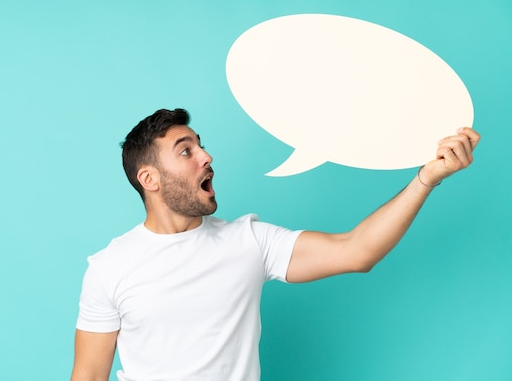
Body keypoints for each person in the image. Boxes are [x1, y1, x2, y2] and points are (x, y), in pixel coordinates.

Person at [70, 108, 480, 381]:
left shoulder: (248, 241)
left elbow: (357, 251)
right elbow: (88, 376)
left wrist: (426, 179)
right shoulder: (109, 268)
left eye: (201, 144)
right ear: (150, 179)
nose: (207, 156)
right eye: (186, 151)